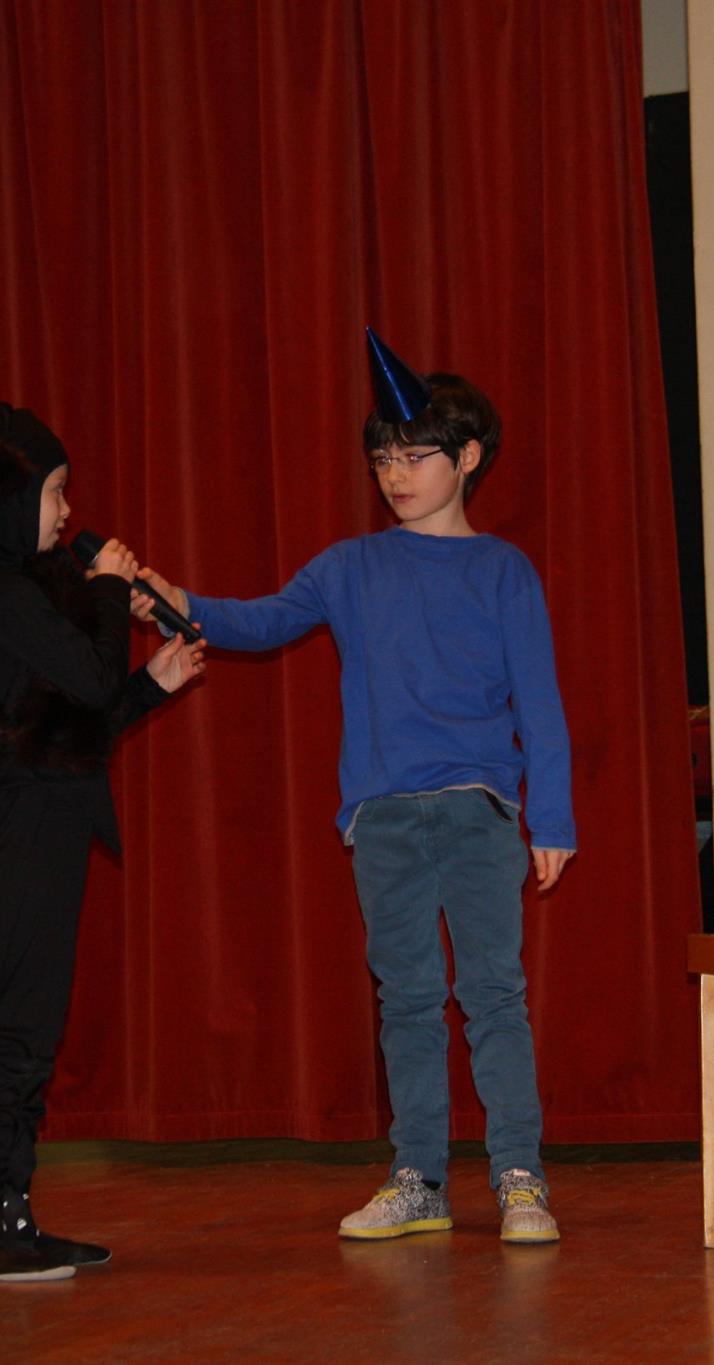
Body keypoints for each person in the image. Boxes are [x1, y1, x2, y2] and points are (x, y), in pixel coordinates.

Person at [133, 331, 575, 1244]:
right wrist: (178, 599)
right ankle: (418, 1178)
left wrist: (554, 817)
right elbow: (258, 621)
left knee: (493, 994)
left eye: (415, 456)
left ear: (468, 457)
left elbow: (540, 700)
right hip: (381, 817)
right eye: (382, 460)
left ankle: (520, 1177)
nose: (396, 475)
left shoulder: (503, 569)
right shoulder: (349, 566)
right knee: (407, 999)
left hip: (480, 810)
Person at [0, 402, 205, 1281]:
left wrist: (152, 682)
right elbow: (90, 675)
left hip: (43, 809)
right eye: (56, 491)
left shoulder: (9, 592)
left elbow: (72, 719)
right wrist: (109, 588)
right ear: (7, 498)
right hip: (25, 819)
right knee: (16, 1026)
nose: (69, 512)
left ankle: (14, 1213)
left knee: (33, 1027)